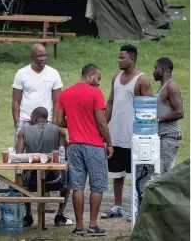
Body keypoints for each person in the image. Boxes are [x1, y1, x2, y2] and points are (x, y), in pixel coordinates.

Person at [55, 64, 113, 236]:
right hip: (94, 145)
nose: (99, 83)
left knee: (77, 186)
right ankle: (93, 225)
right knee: (97, 185)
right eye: (98, 78)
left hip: (73, 146)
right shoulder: (95, 93)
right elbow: (101, 122)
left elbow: (58, 121)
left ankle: (79, 226)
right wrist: (109, 143)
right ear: (90, 75)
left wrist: (73, 122)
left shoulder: (65, 94)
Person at [101, 44, 153, 221]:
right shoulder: (116, 77)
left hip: (134, 136)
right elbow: (110, 102)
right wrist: (103, 125)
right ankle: (117, 206)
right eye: (119, 57)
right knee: (117, 173)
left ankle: (135, 208)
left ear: (132, 58)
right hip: (116, 134)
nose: (119, 60)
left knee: (135, 175)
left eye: (122, 57)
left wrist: (145, 135)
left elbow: (148, 110)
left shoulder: (142, 80)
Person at [12, 43, 63, 186]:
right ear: (31, 56)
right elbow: (16, 100)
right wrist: (17, 120)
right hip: (25, 121)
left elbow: (57, 100)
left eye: (45, 55)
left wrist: (54, 122)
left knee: (45, 160)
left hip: (45, 123)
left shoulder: (53, 73)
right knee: (19, 159)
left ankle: (43, 199)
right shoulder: (22, 73)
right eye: (39, 56)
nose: (43, 58)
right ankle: (19, 194)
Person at [15, 107, 73, 228]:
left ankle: (28, 215)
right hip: (55, 180)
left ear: (35, 118)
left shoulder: (23, 132)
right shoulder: (59, 131)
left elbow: (18, 156)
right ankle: (60, 215)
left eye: (31, 118)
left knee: (24, 174)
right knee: (68, 180)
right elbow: (65, 156)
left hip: (31, 181)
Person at [153, 57, 184, 174]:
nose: (153, 71)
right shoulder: (163, 87)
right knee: (156, 177)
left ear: (163, 68)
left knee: (161, 179)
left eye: (156, 68)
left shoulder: (171, 86)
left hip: (169, 138)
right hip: (162, 138)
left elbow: (180, 112)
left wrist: (158, 119)